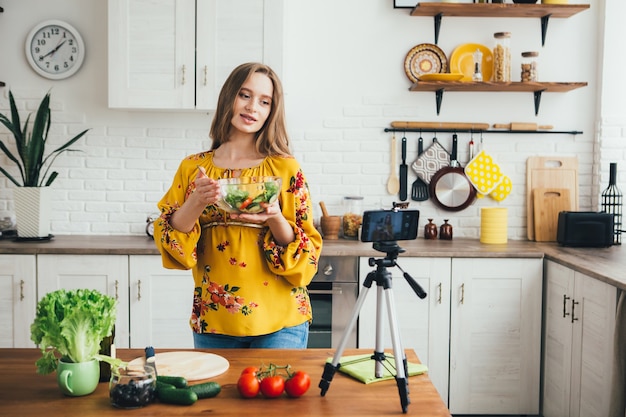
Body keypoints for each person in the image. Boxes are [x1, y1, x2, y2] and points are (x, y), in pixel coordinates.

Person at [153, 62, 323, 349]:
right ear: (228, 97)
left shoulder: (285, 168)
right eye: (244, 95)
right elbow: (173, 243)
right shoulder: (193, 167)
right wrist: (197, 200)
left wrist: (274, 217)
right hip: (215, 320)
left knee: (276, 395)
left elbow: (307, 250)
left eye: (264, 101)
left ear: (271, 111)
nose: (252, 107)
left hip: (281, 322)